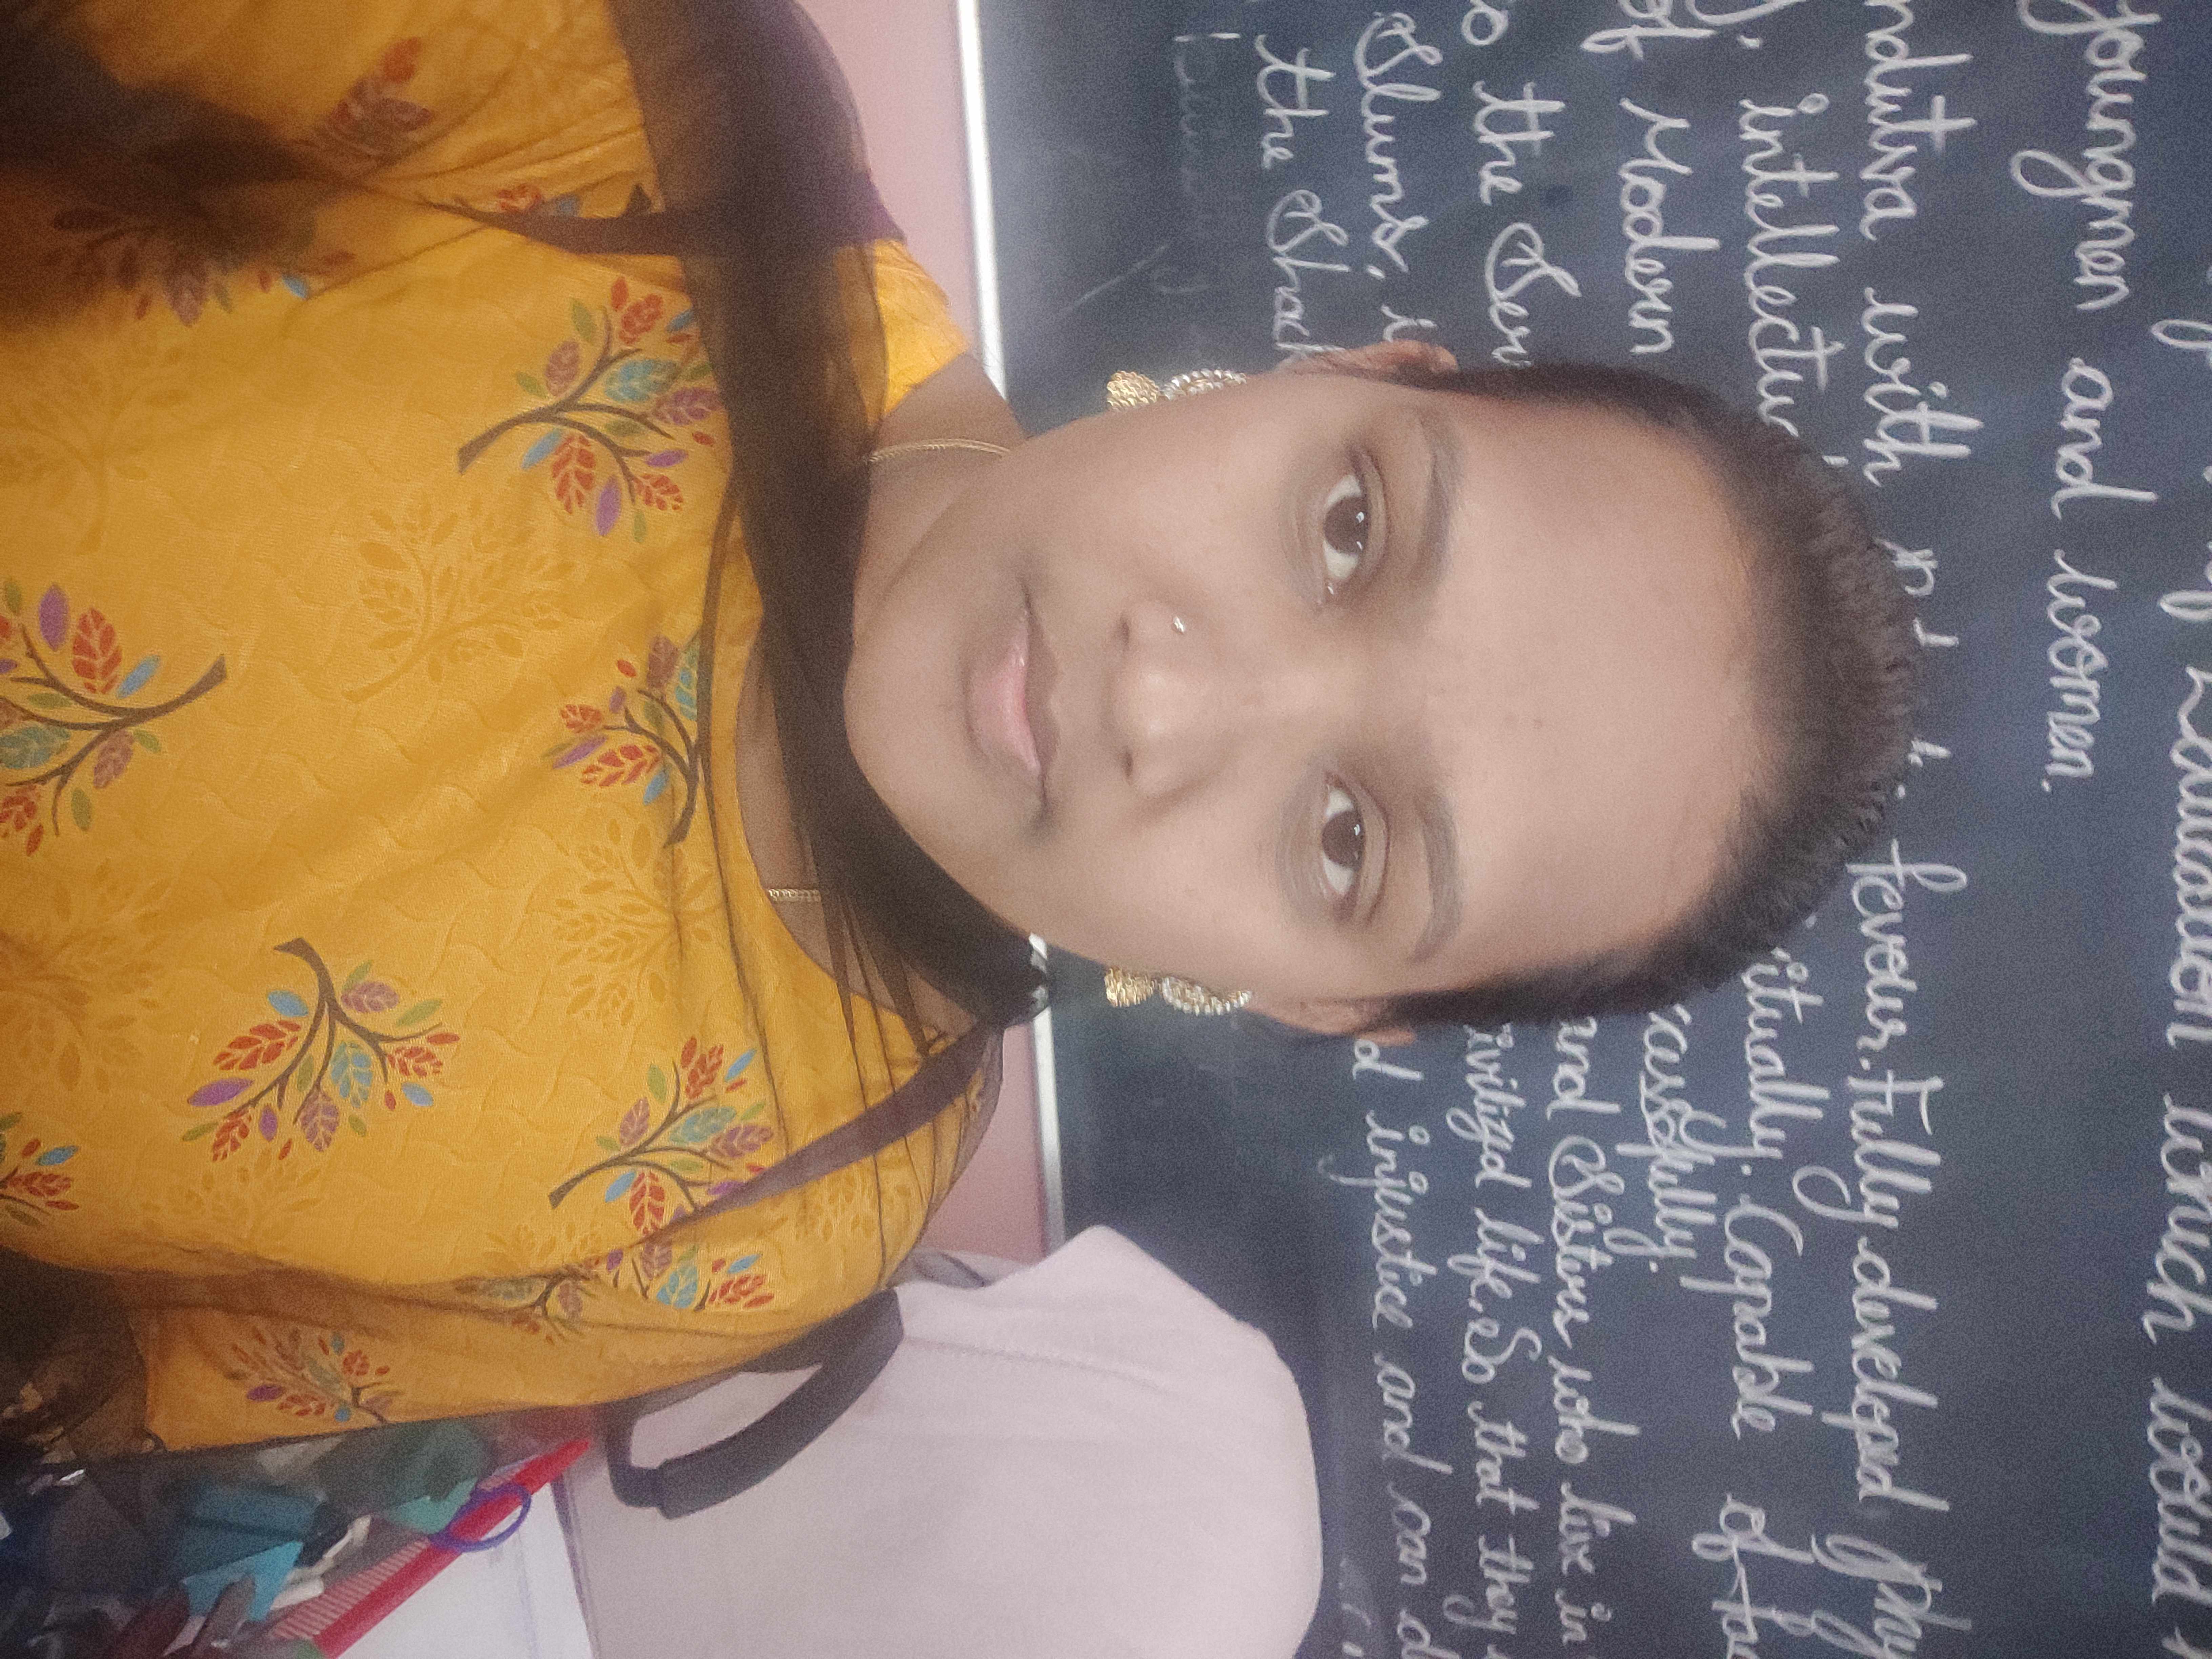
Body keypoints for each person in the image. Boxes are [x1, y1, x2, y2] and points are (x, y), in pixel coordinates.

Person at [0, 0, 1912, 1454]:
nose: (1161, 697)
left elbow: (93, 1369)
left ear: (1327, 1003)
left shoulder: (780, 1225)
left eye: (1348, 842)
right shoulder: (647, 130)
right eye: (1351, 526)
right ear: (1342, 367)